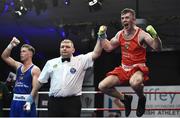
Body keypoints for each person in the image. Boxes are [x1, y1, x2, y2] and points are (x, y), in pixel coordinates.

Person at [97, 8, 162, 117]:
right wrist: (102, 35)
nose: (124, 20)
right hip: (124, 68)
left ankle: (142, 98)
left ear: (134, 20)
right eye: (122, 18)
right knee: (102, 86)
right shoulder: (120, 34)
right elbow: (108, 47)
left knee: (134, 83)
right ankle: (125, 99)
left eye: (127, 17)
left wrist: (156, 36)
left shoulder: (142, 35)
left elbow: (157, 48)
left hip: (138, 68)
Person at [24, 39, 102, 117]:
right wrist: (30, 97)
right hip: (54, 102)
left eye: (67, 47)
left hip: (73, 102)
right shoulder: (51, 63)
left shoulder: (80, 60)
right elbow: (40, 82)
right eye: (62, 47)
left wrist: (100, 38)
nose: (64, 48)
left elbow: (96, 53)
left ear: (73, 50)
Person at [1, 37, 41, 117]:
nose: (21, 53)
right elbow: (4, 56)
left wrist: (30, 101)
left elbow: (35, 88)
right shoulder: (18, 66)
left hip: (26, 101)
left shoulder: (35, 69)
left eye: (23, 51)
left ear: (30, 54)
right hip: (15, 102)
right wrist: (11, 45)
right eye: (20, 52)